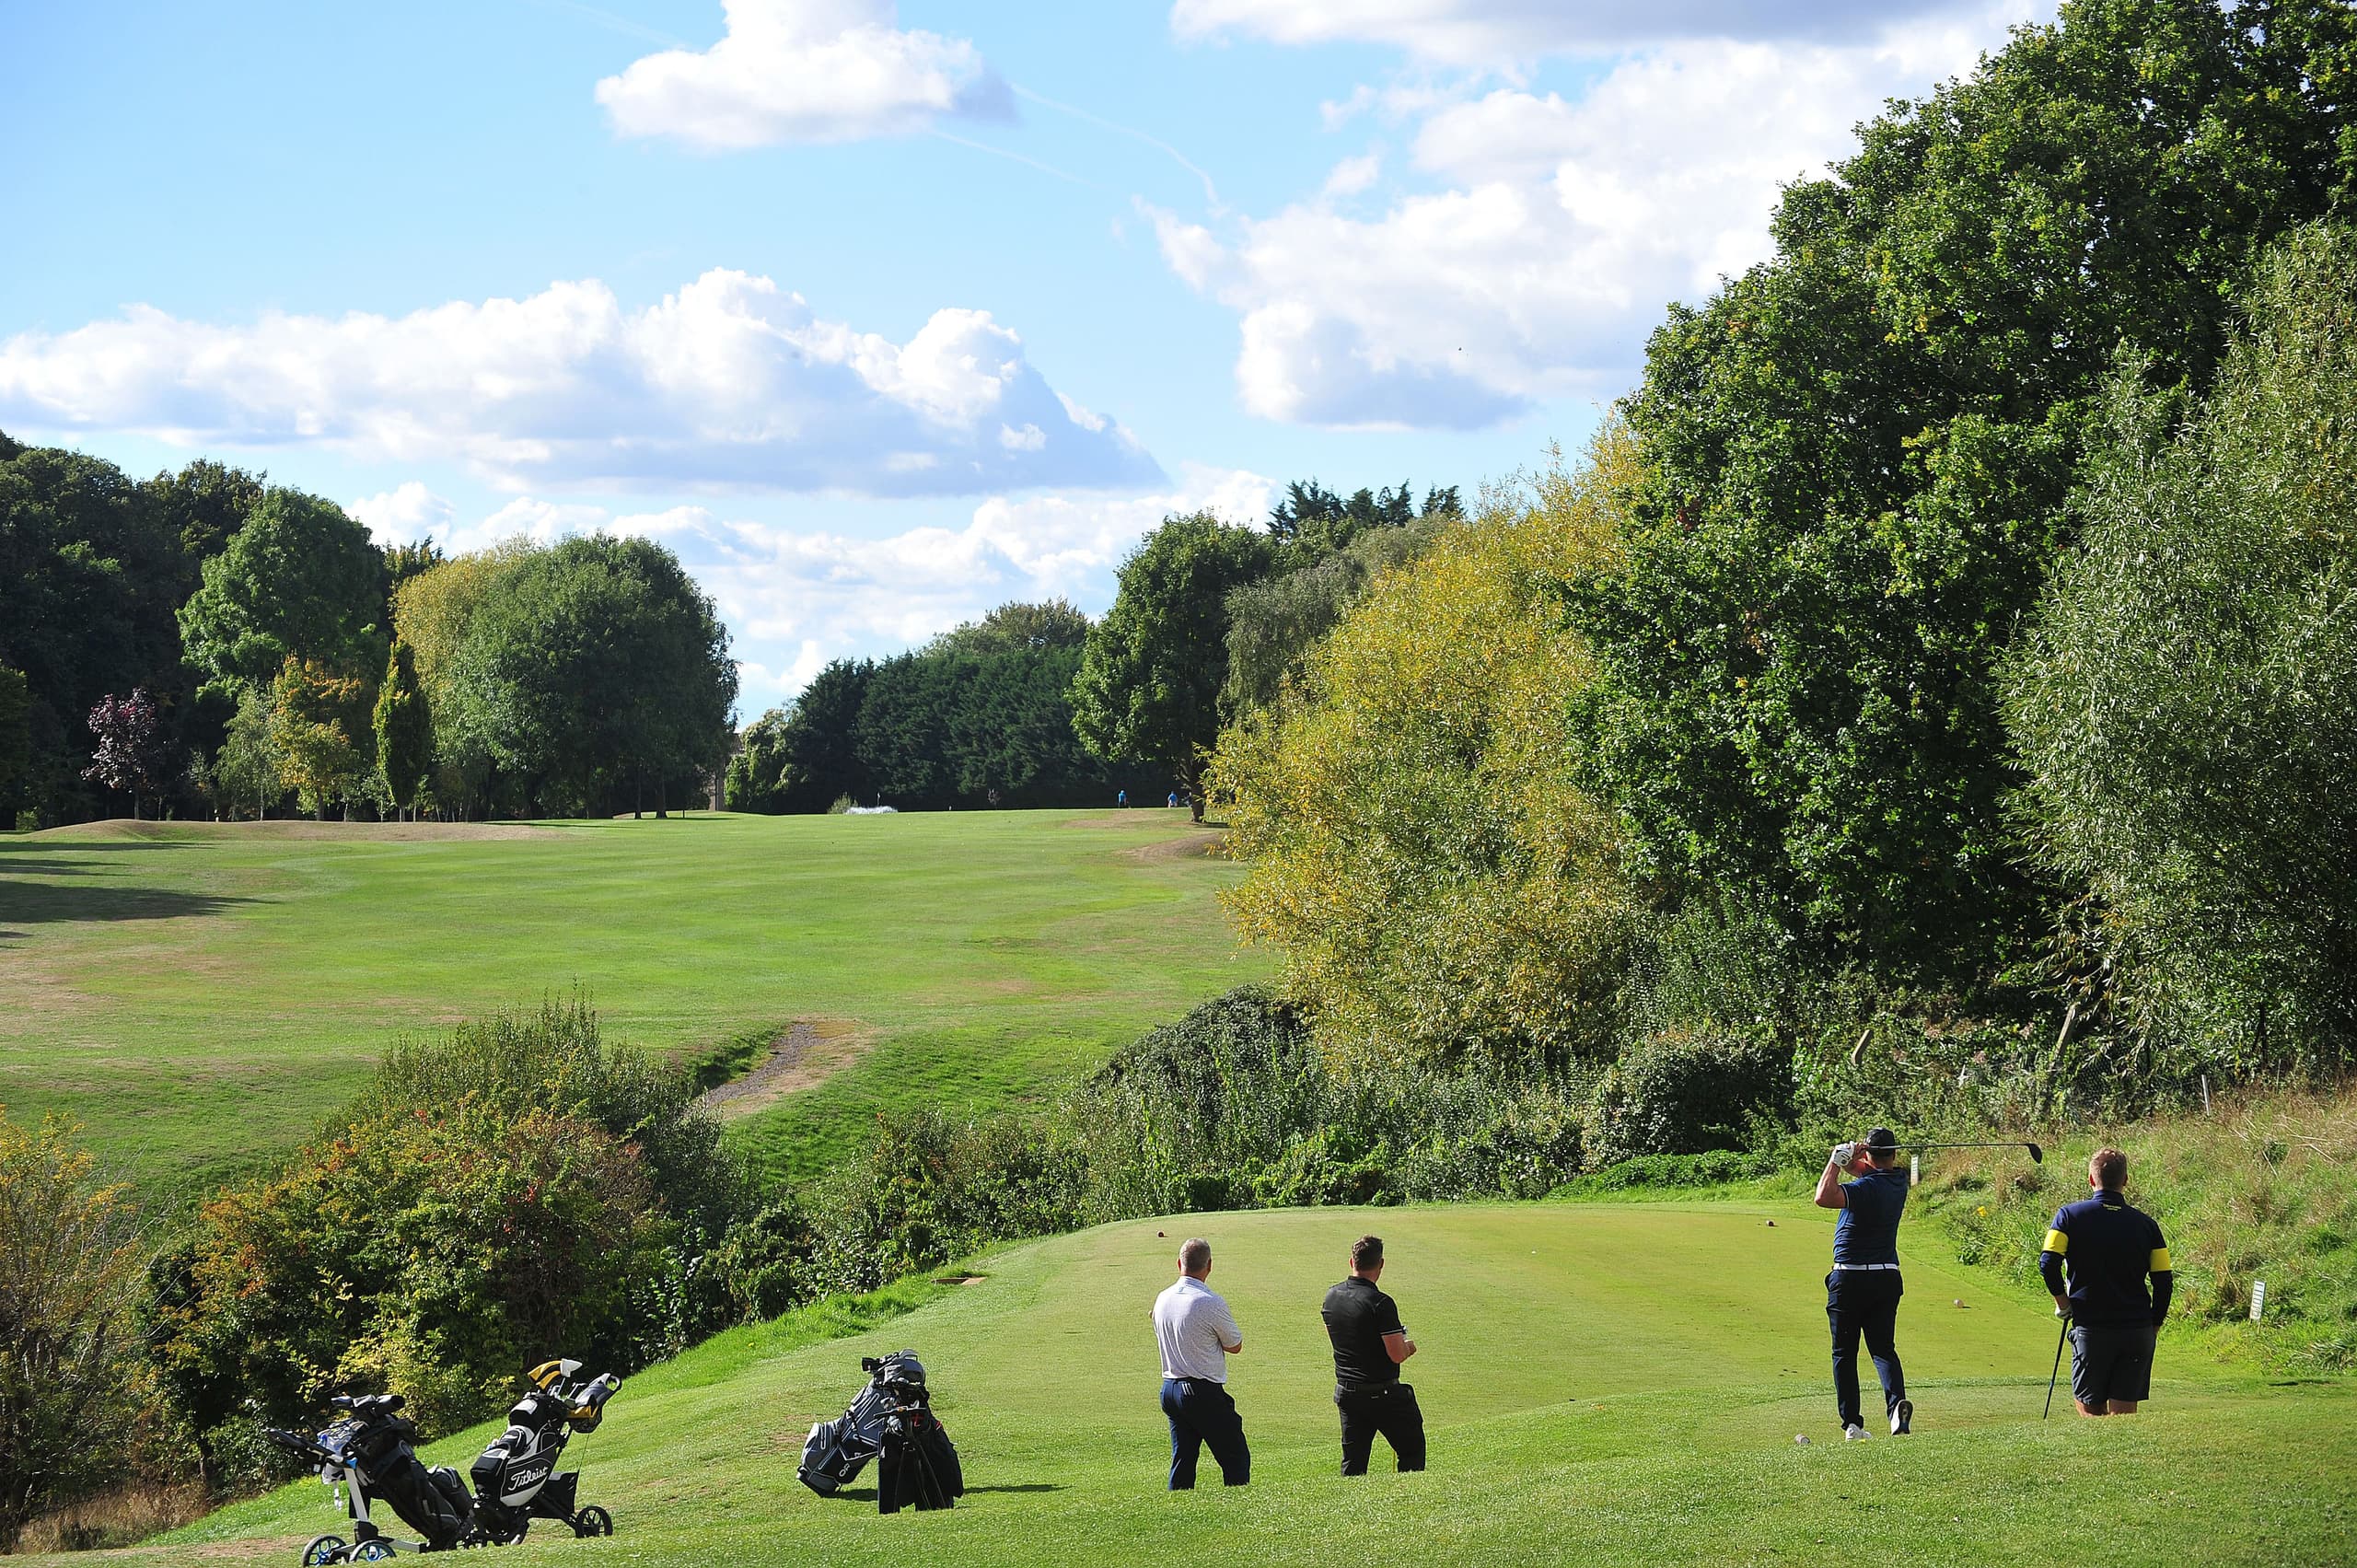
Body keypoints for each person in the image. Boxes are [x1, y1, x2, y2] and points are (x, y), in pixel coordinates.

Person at [2039, 1147, 2172, 1417]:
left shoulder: (2067, 1216)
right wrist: (2154, 1325)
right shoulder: (2148, 1225)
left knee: (2091, 1415)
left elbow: (2047, 1263)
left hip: (2092, 1327)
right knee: (2124, 1416)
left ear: (2091, 1179)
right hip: (2137, 1330)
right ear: (2125, 1180)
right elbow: (2164, 1282)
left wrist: (2063, 1303)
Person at [1813, 1125, 1913, 1440]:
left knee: (1844, 1352)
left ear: (1869, 1155)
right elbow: (1859, 1169)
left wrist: (1834, 1159)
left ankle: (1852, 1425)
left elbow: (1823, 1197)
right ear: (1894, 1154)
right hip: (1886, 1276)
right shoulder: (1898, 1181)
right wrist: (1851, 1157)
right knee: (1883, 1349)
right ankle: (1896, 1407)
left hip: (1850, 1277)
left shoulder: (1864, 1189)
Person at [1320, 1235, 1425, 1476]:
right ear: (1381, 1264)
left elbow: (1337, 1337)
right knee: (1412, 1452)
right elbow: (1397, 1354)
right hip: (1382, 1394)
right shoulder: (1381, 1303)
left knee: (1353, 1463)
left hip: (1348, 1392)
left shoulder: (1331, 1296)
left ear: (1351, 1262)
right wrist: (1410, 1346)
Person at [1151, 1237, 1248, 1489]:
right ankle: (1237, 1509)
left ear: (1178, 1264)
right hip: (1200, 1391)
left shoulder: (1162, 1298)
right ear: (1209, 1265)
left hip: (1170, 1388)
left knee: (1183, 1458)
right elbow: (1234, 1345)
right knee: (1235, 1456)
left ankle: (1178, 1509)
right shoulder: (1208, 1301)